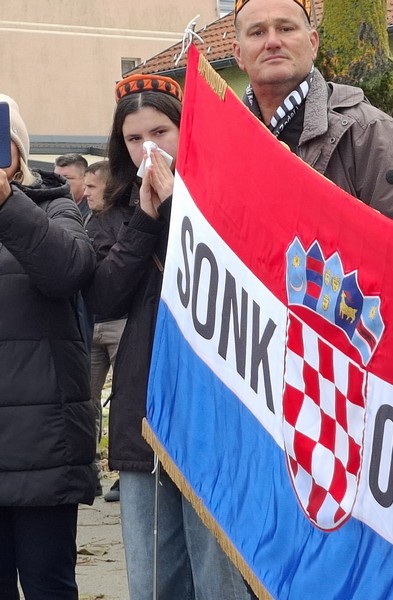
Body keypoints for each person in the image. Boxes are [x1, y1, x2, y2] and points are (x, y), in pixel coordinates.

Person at [84, 74, 252, 600]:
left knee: (218, 577)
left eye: (160, 132)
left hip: (215, 406)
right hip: (143, 408)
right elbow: (105, 298)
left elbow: (228, 274)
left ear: (185, 129)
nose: (149, 148)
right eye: (134, 138)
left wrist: (179, 204)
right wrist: (145, 217)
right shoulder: (111, 211)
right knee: (155, 578)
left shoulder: (223, 191)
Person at [0, 94, 96, 599]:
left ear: (16, 148)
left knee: (48, 585)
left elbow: (68, 272)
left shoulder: (53, 205)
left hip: (43, 443)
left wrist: (6, 204)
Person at [232, 0, 393, 231]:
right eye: (257, 32)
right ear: (238, 54)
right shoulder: (221, 139)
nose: (273, 42)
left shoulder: (368, 131)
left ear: (313, 43)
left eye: (286, 28)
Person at [83, 160, 126, 502]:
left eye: (91, 186)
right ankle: (90, 468)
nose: (85, 192)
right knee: (86, 399)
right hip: (90, 322)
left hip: (121, 322)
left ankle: (126, 472)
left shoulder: (125, 220)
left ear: (109, 187)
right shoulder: (85, 219)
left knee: (125, 400)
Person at [55, 153, 90, 222]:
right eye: (55, 178)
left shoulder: (94, 210)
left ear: (84, 180)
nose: (58, 183)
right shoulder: (46, 205)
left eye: (66, 178)